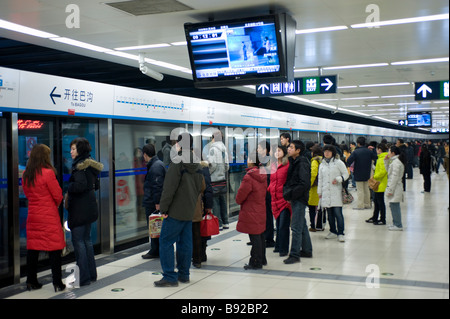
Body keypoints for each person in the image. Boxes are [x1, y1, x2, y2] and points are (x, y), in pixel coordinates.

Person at [155, 133, 204, 287]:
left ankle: (169, 276)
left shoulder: (177, 161)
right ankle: (184, 274)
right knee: (185, 242)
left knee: (165, 241)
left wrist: (163, 207)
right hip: (189, 209)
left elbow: (169, 188)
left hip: (176, 210)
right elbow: (200, 187)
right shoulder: (197, 163)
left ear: (178, 144)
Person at [22, 144, 65, 292]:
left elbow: (27, 194)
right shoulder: (48, 173)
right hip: (48, 216)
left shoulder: (26, 174)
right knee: (54, 249)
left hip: (33, 215)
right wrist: (54, 204)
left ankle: (31, 281)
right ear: (45, 157)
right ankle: (57, 282)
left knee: (33, 249)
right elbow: (58, 195)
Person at [67, 137, 103, 286]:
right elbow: (95, 186)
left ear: (80, 150)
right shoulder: (91, 165)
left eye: (74, 149)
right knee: (86, 241)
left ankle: (83, 277)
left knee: (79, 242)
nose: (71, 152)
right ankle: (91, 275)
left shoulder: (80, 166)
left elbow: (80, 185)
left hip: (79, 210)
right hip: (88, 208)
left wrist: (68, 186)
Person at [236, 151, 268, 269]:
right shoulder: (262, 174)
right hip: (260, 208)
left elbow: (241, 195)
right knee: (260, 235)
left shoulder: (249, 177)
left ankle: (256, 261)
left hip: (250, 210)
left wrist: (238, 201)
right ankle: (262, 259)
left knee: (254, 237)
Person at [282, 140, 312, 264]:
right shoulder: (294, 161)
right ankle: (306, 250)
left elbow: (304, 183)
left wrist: (291, 194)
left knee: (295, 227)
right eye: (288, 147)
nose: (288, 149)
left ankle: (294, 254)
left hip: (299, 198)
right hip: (296, 197)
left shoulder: (302, 163)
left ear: (298, 150)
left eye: (291, 147)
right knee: (302, 225)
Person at [317, 145, 349, 242]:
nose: (326, 153)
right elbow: (320, 179)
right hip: (325, 191)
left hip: (336, 191)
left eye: (329, 151)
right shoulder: (321, 164)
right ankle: (333, 231)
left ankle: (340, 233)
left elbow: (346, 174)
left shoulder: (338, 163)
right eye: (325, 151)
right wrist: (319, 191)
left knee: (338, 213)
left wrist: (339, 179)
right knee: (329, 214)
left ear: (333, 153)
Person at [141, 143, 166, 259]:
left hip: (152, 202)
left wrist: (157, 203)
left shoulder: (155, 166)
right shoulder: (157, 164)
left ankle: (155, 250)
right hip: (153, 201)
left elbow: (157, 186)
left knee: (154, 226)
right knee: (156, 226)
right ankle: (156, 249)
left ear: (145, 155)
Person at [267, 145, 291, 257]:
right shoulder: (273, 165)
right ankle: (278, 245)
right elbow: (271, 181)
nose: (277, 152)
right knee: (278, 223)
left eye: (279, 150)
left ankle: (284, 249)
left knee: (283, 225)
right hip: (274, 199)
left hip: (284, 199)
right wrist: (270, 189)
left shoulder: (287, 165)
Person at [192, 157, 213, 268]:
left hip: (201, 204)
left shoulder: (202, 169)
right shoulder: (202, 168)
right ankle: (200, 254)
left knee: (200, 231)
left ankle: (200, 254)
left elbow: (207, 188)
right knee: (200, 231)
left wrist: (208, 206)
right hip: (200, 204)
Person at [346, 136, 377, 210]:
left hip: (358, 172)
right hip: (367, 173)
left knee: (360, 190)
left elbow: (349, 161)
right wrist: (373, 150)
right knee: (366, 189)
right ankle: (367, 204)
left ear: (358, 143)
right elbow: (375, 157)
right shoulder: (369, 151)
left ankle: (360, 205)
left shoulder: (355, 152)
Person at [208, 130, 229, 230]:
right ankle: (226, 222)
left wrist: (209, 173)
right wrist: (222, 172)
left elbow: (212, 165)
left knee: (215, 201)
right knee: (222, 200)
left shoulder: (213, 149)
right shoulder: (224, 148)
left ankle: (218, 224)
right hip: (222, 178)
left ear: (213, 138)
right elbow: (227, 166)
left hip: (214, 179)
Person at [257, 140, 275, 248]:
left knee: (268, 215)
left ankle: (269, 238)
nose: (257, 150)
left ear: (266, 150)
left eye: (259, 148)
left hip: (267, 191)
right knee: (260, 215)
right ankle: (259, 237)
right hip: (260, 191)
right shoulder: (260, 160)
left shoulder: (269, 161)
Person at [366, 143, 388, 225]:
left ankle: (382, 219)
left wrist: (374, 177)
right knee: (376, 201)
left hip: (380, 183)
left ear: (379, 149)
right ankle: (375, 217)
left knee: (380, 202)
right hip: (380, 183)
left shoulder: (382, 159)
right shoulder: (381, 158)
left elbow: (383, 171)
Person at [384, 146, 406, 231]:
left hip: (395, 187)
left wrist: (390, 190)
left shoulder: (396, 162)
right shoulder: (394, 161)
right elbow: (389, 172)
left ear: (393, 153)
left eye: (389, 151)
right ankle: (395, 223)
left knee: (395, 206)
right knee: (393, 205)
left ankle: (398, 225)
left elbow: (395, 177)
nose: (388, 153)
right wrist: (386, 161)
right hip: (394, 186)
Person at [308, 145, 324, 231]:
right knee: (320, 207)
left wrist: (309, 184)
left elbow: (313, 174)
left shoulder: (315, 161)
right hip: (322, 186)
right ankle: (320, 225)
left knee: (312, 208)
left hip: (315, 187)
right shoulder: (324, 161)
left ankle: (313, 226)